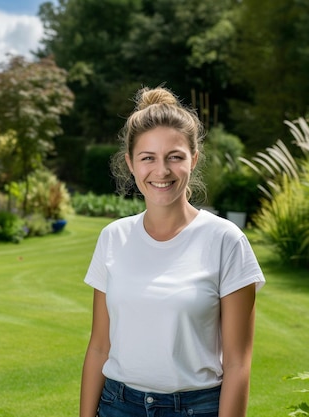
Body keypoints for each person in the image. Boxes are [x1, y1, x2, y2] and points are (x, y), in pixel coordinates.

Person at [79, 86, 265, 417]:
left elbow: (238, 363)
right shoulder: (113, 238)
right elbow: (98, 347)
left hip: (197, 408)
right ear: (131, 164)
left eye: (174, 157)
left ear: (193, 158)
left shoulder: (226, 241)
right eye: (148, 158)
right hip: (117, 405)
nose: (161, 171)